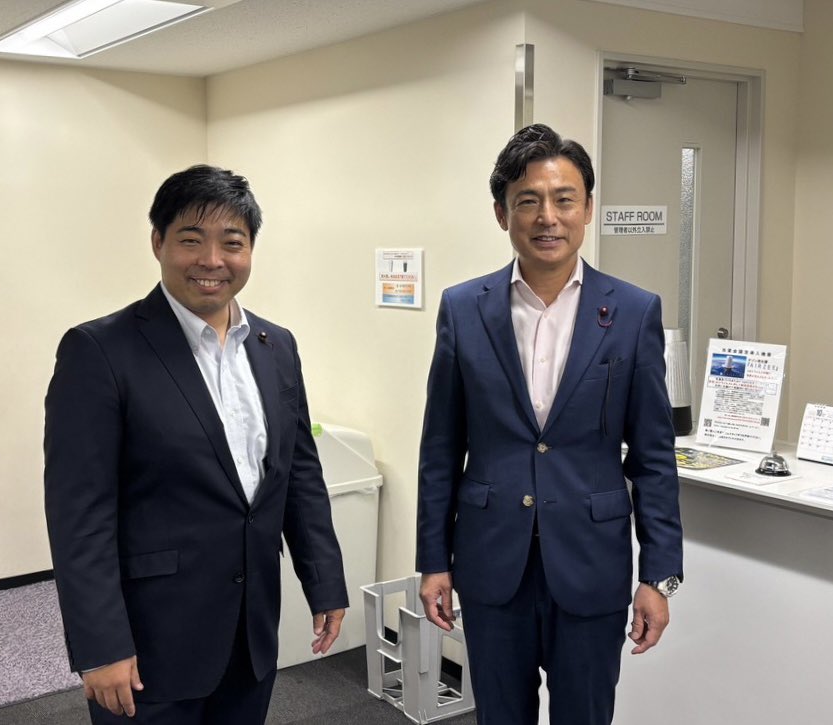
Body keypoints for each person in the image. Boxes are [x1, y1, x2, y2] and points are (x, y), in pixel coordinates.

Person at [44, 165, 348, 724]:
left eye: (232, 242)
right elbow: (79, 513)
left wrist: (325, 581)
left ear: (250, 250)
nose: (212, 260)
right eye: (191, 239)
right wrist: (100, 645)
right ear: (157, 242)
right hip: (150, 643)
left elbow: (299, 475)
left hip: (250, 632)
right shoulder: (100, 351)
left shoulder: (275, 345)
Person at [416, 124, 683, 725]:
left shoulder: (633, 311)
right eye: (528, 201)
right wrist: (433, 560)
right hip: (491, 562)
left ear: (587, 208)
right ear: (501, 213)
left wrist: (660, 574)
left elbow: (653, 457)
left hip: (592, 563)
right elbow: (441, 449)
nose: (548, 217)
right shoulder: (463, 308)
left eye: (564, 199)